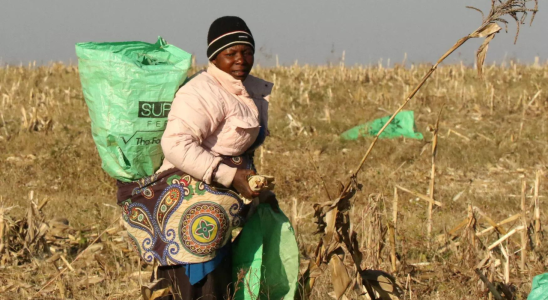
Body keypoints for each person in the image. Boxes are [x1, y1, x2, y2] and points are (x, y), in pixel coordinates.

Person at [116, 16, 277, 300]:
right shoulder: (201, 92)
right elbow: (176, 144)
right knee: (199, 288)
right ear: (214, 56)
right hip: (190, 207)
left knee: (218, 283)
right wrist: (230, 176)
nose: (240, 59)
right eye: (231, 53)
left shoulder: (246, 90)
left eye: (247, 51)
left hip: (216, 212)